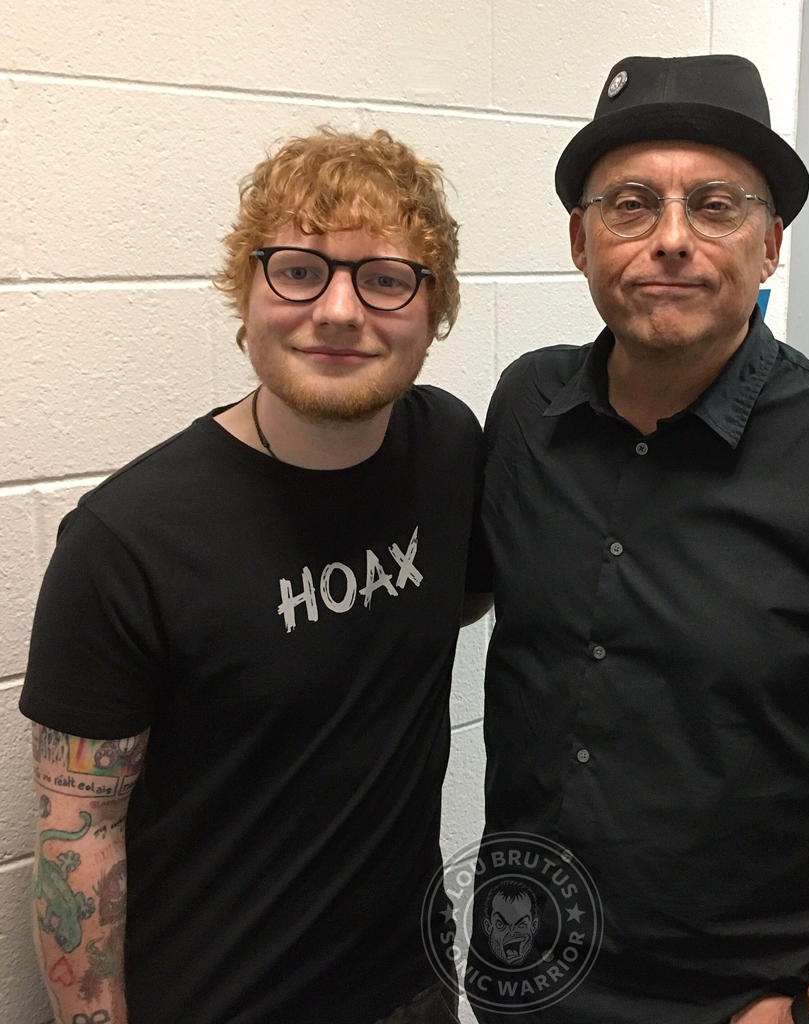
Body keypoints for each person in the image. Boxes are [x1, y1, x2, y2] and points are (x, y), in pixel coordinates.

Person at [472, 55, 809, 1024]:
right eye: (631, 205)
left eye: (715, 206)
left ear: (770, 246)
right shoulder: (525, 408)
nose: (671, 239)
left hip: (743, 998)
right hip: (525, 971)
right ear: (581, 240)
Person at [22, 126, 488, 1024]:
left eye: (385, 278)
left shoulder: (449, 447)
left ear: (435, 310)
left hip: (415, 987)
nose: (340, 310)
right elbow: (79, 839)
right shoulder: (127, 540)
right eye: (299, 270)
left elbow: (452, 601)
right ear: (247, 292)